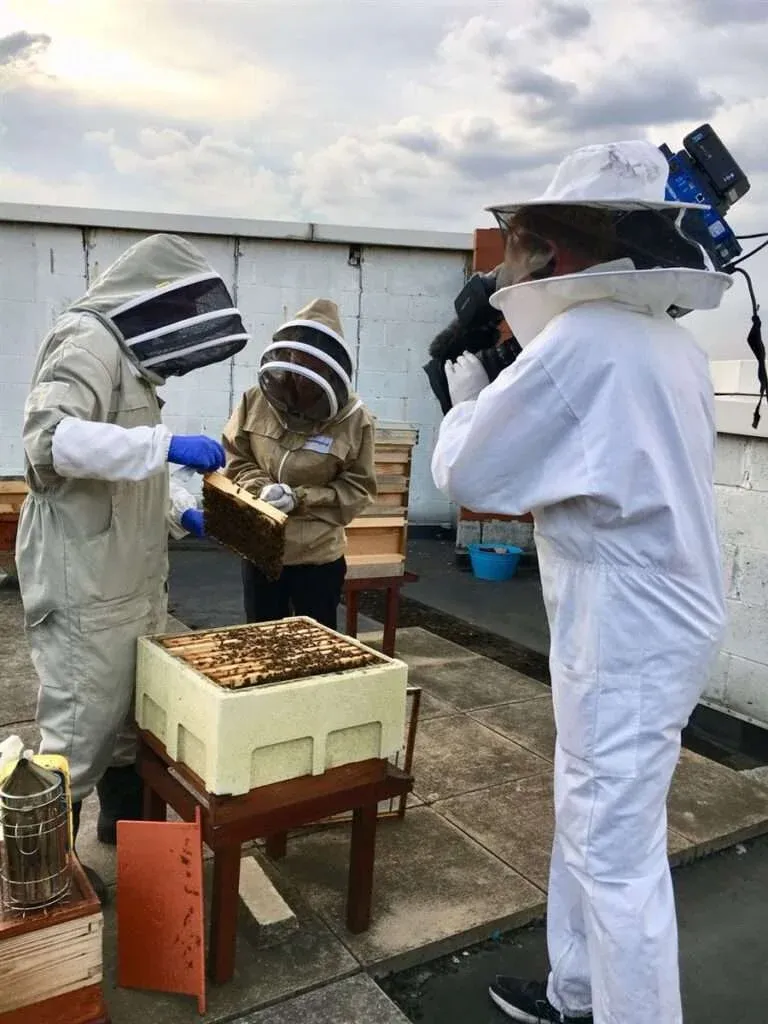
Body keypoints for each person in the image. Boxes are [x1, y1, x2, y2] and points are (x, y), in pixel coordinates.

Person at [431, 141, 732, 1024]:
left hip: (625, 625)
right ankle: (576, 993)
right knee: (592, 815)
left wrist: (468, 396)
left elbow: (471, 475)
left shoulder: (584, 342)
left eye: (521, 244)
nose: (510, 265)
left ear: (552, 248)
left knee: (614, 853)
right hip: (649, 612)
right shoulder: (666, 343)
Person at [16, 233, 249, 891]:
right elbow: (52, 442)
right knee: (77, 730)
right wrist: (165, 443)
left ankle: (123, 831)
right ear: (154, 302)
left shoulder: (130, 363)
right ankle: (45, 882)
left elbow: (129, 475)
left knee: (131, 721)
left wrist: (182, 511)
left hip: (130, 583)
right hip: (85, 583)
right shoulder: (86, 341)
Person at [223, 298, 376, 629]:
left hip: (317, 557)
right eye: (296, 356)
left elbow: (357, 489)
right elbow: (236, 457)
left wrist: (299, 498)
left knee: (315, 644)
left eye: (312, 361)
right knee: (261, 639)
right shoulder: (255, 400)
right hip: (261, 548)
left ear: (330, 364)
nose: (301, 370)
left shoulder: (355, 419)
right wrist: (261, 488)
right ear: (286, 353)